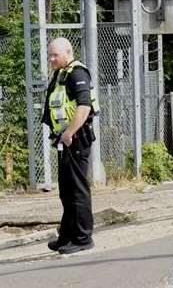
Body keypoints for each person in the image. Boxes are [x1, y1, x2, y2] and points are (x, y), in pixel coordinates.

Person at [42, 37, 98, 254]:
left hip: (76, 138)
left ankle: (83, 238)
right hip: (64, 139)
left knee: (77, 190)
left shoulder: (77, 73)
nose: (51, 59)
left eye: (55, 55)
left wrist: (69, 132)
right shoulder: (61, 74)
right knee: (66, 190)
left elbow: (84, 107)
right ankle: (67, 235)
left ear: (68, 52)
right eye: (50, 55)